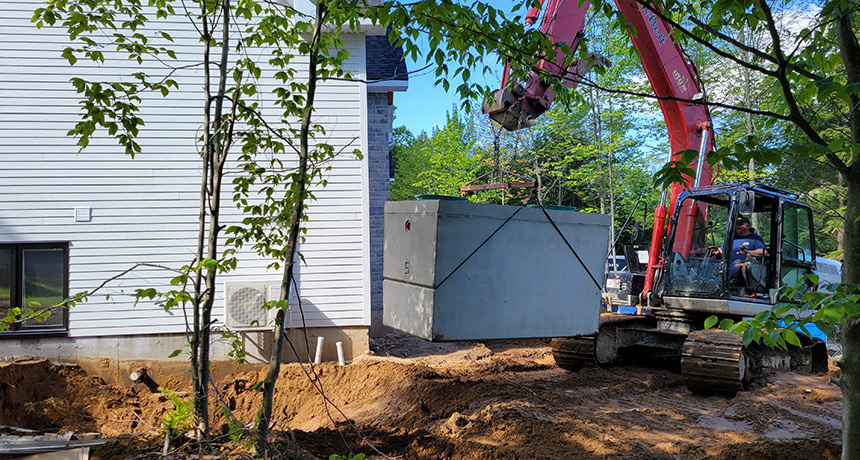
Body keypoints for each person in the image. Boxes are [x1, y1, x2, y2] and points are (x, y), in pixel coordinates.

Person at [725, 215, 767, 281]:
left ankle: (724, 282)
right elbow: (722, 250)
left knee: (737, 263)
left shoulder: (755, 238)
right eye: (736, 224)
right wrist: (715, 251)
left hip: (745, 264)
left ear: (747, 226)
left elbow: (763, 252)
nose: (737, 226)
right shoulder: (731, 238)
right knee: (709, 262)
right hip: (727, 263)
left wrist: (748, 252)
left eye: (740, 224)